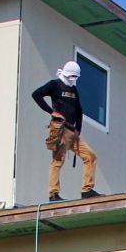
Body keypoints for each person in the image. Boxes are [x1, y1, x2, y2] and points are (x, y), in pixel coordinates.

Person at [29, 60, 98, 201]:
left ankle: (87, 190)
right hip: (61, 130)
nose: (73, 79)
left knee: (90, 156)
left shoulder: (73, 89)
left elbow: (79, 110)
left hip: (73, 131)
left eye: (75, 77)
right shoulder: (54, 85)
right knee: (57, 161)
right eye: (71, 76)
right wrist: (51, 111)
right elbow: (36, 94)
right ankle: (53, 193)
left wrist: (78, 128)